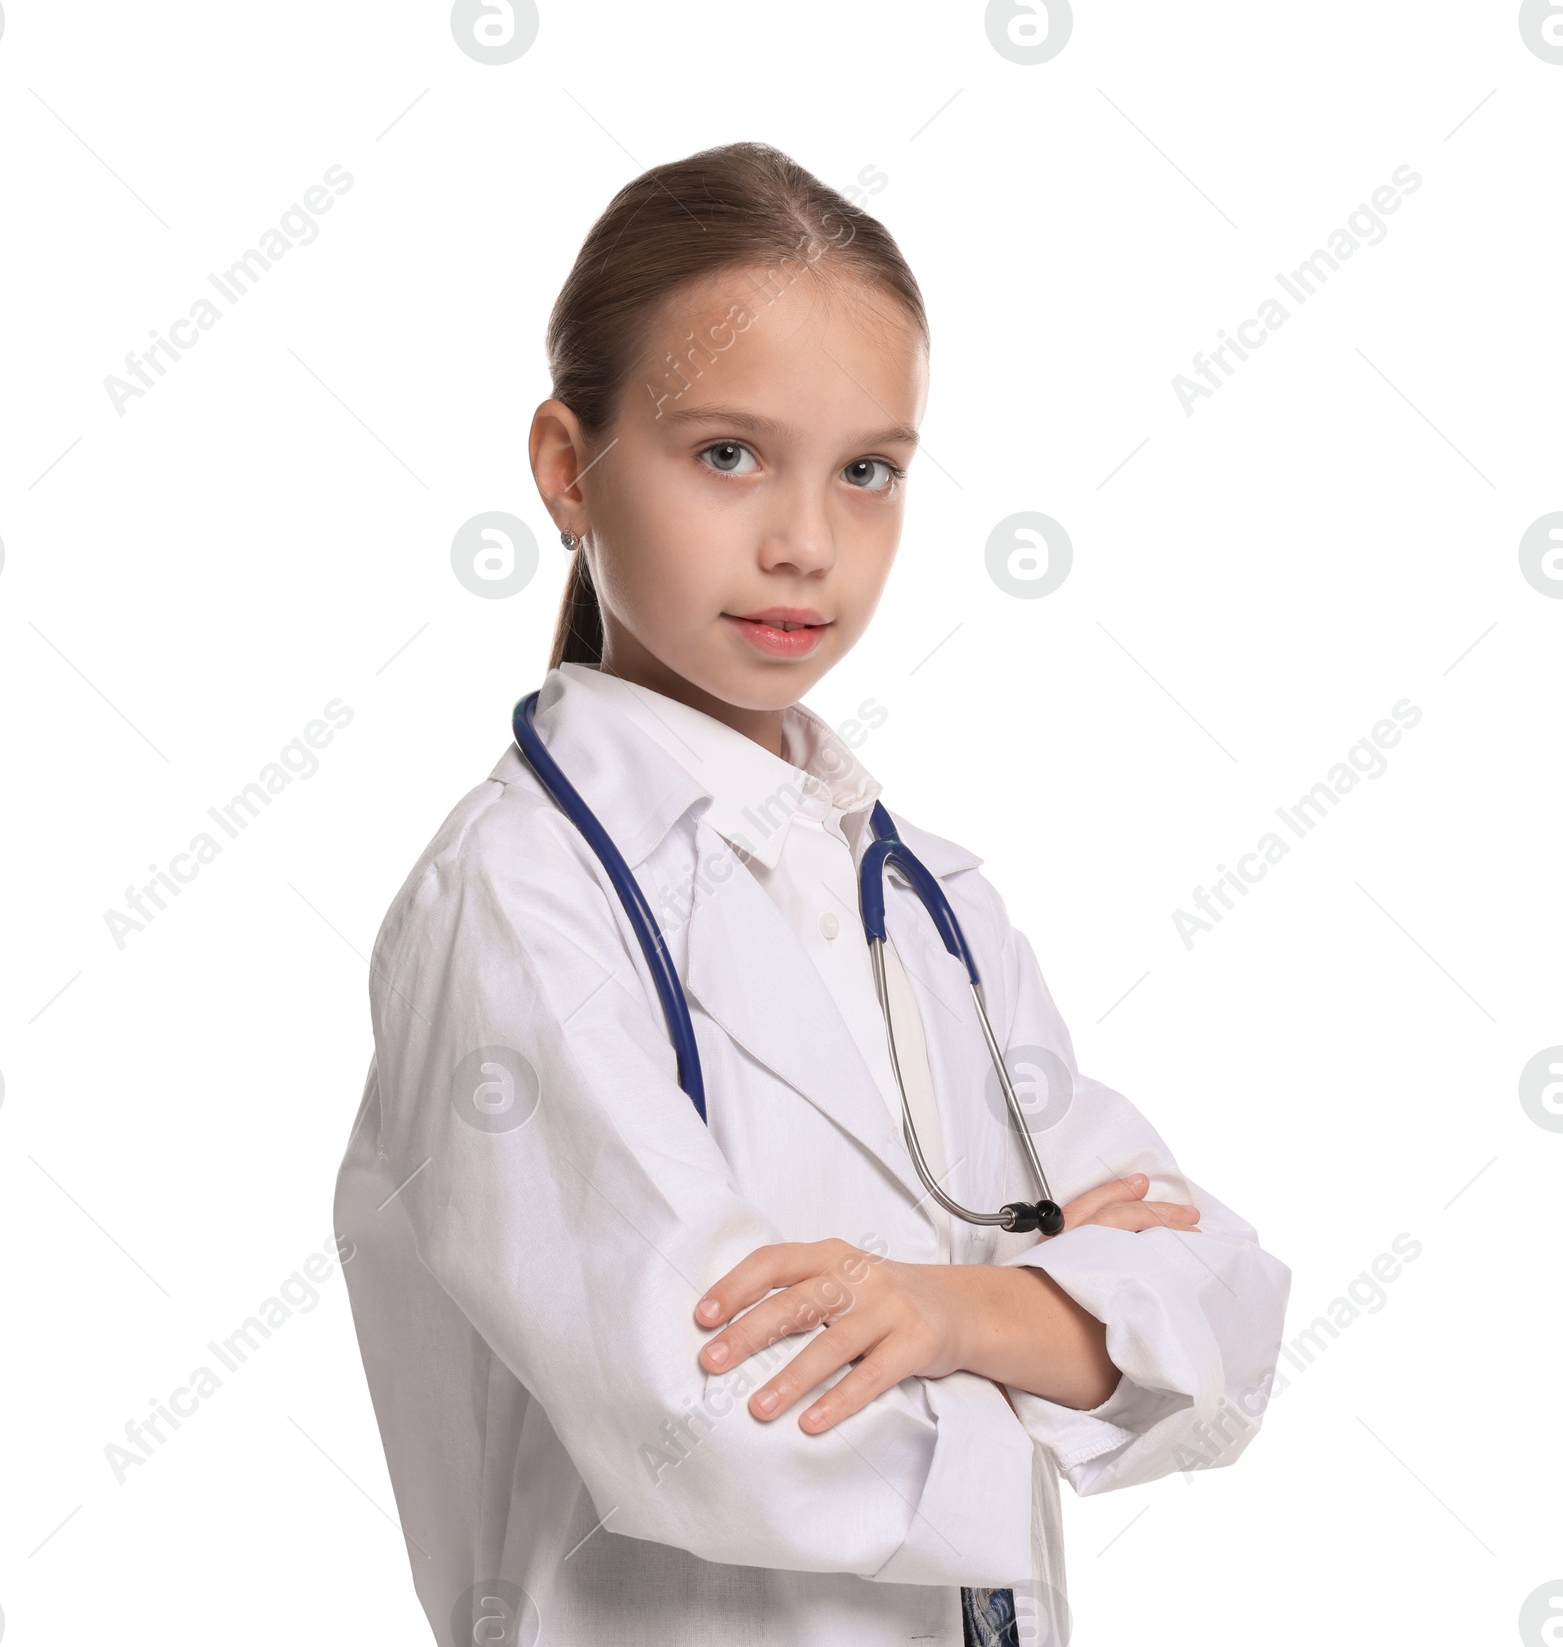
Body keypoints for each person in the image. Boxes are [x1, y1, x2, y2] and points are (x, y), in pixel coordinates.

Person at [334, 140, 1292, 1647]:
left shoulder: (927, 899)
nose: (805, 543)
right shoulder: (518, 905)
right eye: (727, 453)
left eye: (868, 471)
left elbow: (1226, 1308)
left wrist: (945, 1312)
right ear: (567, 466)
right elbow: (733, 1428)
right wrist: (1067, 1333)